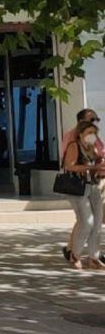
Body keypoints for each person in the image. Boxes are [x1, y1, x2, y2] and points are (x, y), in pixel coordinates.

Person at [61, 109, 105, 264]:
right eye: (92, 121)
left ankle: (94, 256)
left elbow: (99, 156)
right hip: (78, 187)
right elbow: (69, 165)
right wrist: (92, 168)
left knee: (97, 221)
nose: (94, 125)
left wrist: (99, 167)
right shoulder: (72, 141)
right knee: (86, 221)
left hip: (93, 184)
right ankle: (74, 253)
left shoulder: (92, 145)